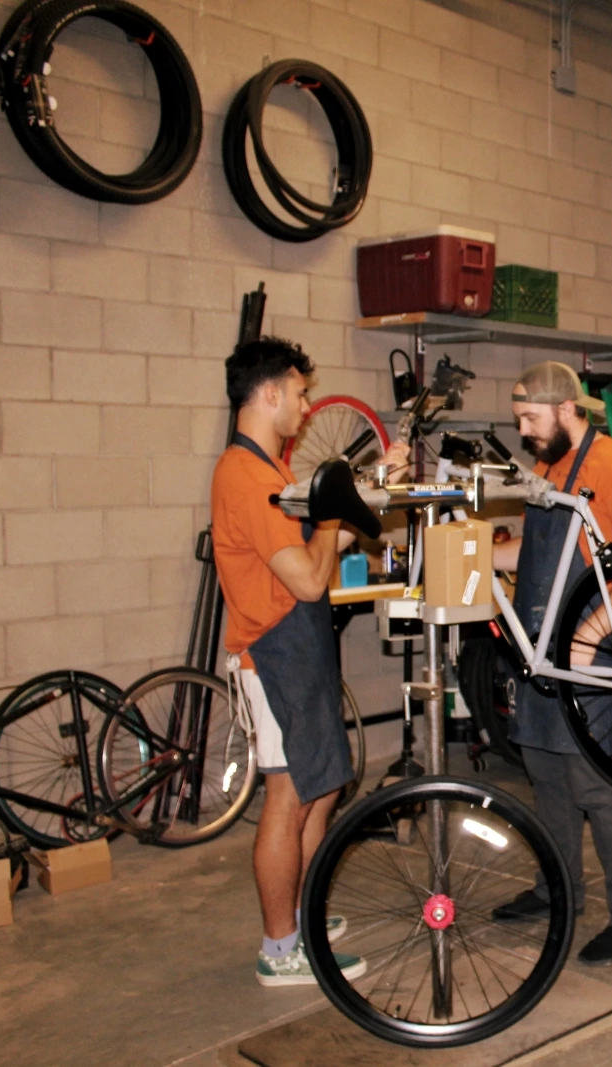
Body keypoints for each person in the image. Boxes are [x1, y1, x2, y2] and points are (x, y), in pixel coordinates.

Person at [211, 336, 409, 987]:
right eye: (299, 394)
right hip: (273, 657)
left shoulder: (269, 471)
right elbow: (306, 577)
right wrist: (331, 515)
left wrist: (371, 491)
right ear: (269, 393)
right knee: (289, 794)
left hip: (299, 649)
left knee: (321, 786)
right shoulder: (246, 478)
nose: (305, 406)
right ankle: (280, 948)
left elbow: (326, 538)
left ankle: (302, 915)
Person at [489, 361, 612, 966]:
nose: (523, 432)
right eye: (518, 420)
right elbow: (537, 550)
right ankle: (557, 889)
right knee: (546, 773)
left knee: (596, 784)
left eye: (530, 419)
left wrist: (588, 637)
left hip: (593, 643)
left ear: (566, 409)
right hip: (539, 643)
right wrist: (472, 553)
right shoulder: (548, 467)